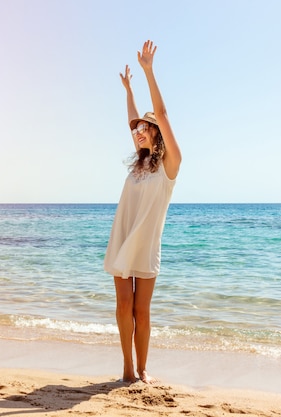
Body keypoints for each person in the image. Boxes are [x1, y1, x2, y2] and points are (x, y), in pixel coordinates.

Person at [104, 40, 182, 384]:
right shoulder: (138, 166)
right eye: (137, 130)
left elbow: (161, 116)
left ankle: (144, 368)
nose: (139, 132)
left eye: (145, 128)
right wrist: (128, 90)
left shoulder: (169, 167)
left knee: (142, 311)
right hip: (123, 239)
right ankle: (127, 368)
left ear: (157, 133)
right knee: (123, 308)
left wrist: (150, 71)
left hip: (146, 246)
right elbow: (131, 121)